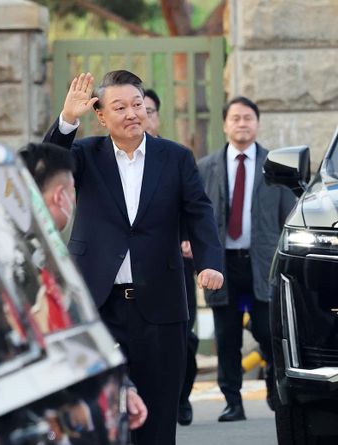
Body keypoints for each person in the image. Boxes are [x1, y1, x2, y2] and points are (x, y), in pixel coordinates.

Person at [42, 70, 223, 445]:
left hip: (160, 305)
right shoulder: (85, 154)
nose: (131, 114)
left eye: (137, 105)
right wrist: (67, 119)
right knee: (98, 415)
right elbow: (45, 169)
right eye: (120, 107)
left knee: (157, 418)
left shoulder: (175, 157)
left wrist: (210, 262)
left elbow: (199, 212)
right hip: (98, 305)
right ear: (101, 116)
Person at [19, 142, 148, 431]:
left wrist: (123, 386)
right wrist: (120, 387)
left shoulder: (8, 249)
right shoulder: (39, 263)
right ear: (61, 196)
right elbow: (77, 332)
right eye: (73, 191)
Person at [198, 96, 296, 422]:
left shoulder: (276, 166)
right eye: (236, 118)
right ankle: (232, 401)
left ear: (257, 123)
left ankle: (274, 387)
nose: (242, 123)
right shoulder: (206, 167)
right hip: (222, 265)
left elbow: (288, 215)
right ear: (225, 124)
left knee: (269, 332)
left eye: (248, 118)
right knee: (227, 337)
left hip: (263, 263)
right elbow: (197, 214)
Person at [143, 88, 198, 426]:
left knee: (184, 337)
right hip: (132, 268)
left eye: (147, 110)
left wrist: (189, 238)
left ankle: (181, 397)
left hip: (175, 262)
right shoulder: (109, 158)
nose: (139, 116)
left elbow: (194, 206)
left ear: (157, 117)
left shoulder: (175, 157)